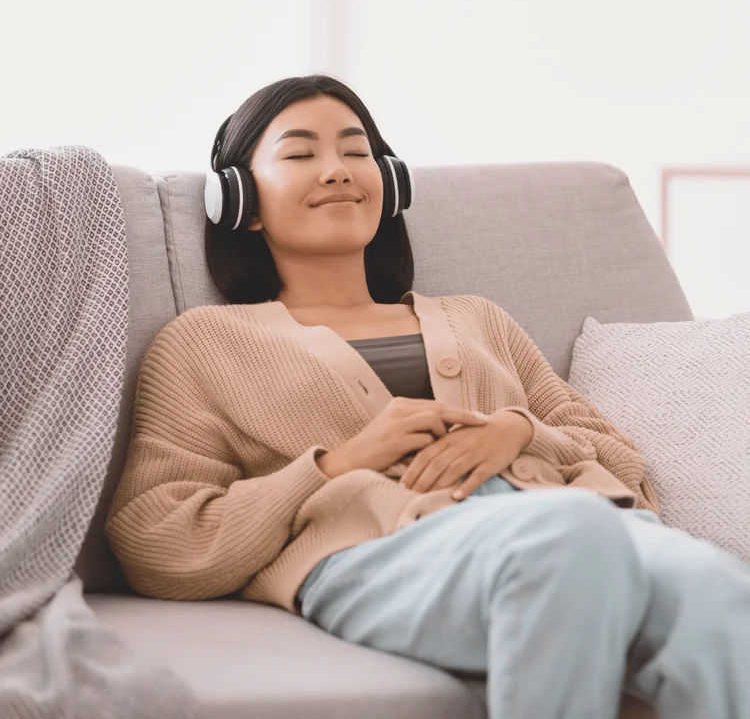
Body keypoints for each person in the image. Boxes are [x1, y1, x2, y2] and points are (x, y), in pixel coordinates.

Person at [106, 74, 750, 719]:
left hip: (584, 523)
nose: (335, 171)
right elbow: (157, 536)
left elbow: (620, 458)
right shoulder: (203, 343)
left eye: (356, 152)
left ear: (389, 183)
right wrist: (339, 463)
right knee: (570, 536)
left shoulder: (479, 319)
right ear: (240, 200)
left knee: (717, 589)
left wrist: (520, 430)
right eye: (301, 154)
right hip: (380, 552)